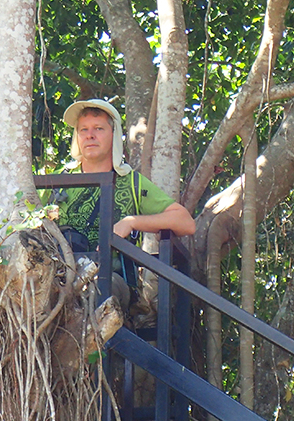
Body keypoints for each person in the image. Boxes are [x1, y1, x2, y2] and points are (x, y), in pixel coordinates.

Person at [51, 99, 195, 305]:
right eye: (83, 129)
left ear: (114, 134)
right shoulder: (57, 181)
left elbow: (185, 222)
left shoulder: (131, 182)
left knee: (97, 291)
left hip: (110, 280)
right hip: (58, 275)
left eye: (98, 128)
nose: (90, 135)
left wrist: (131, 222)